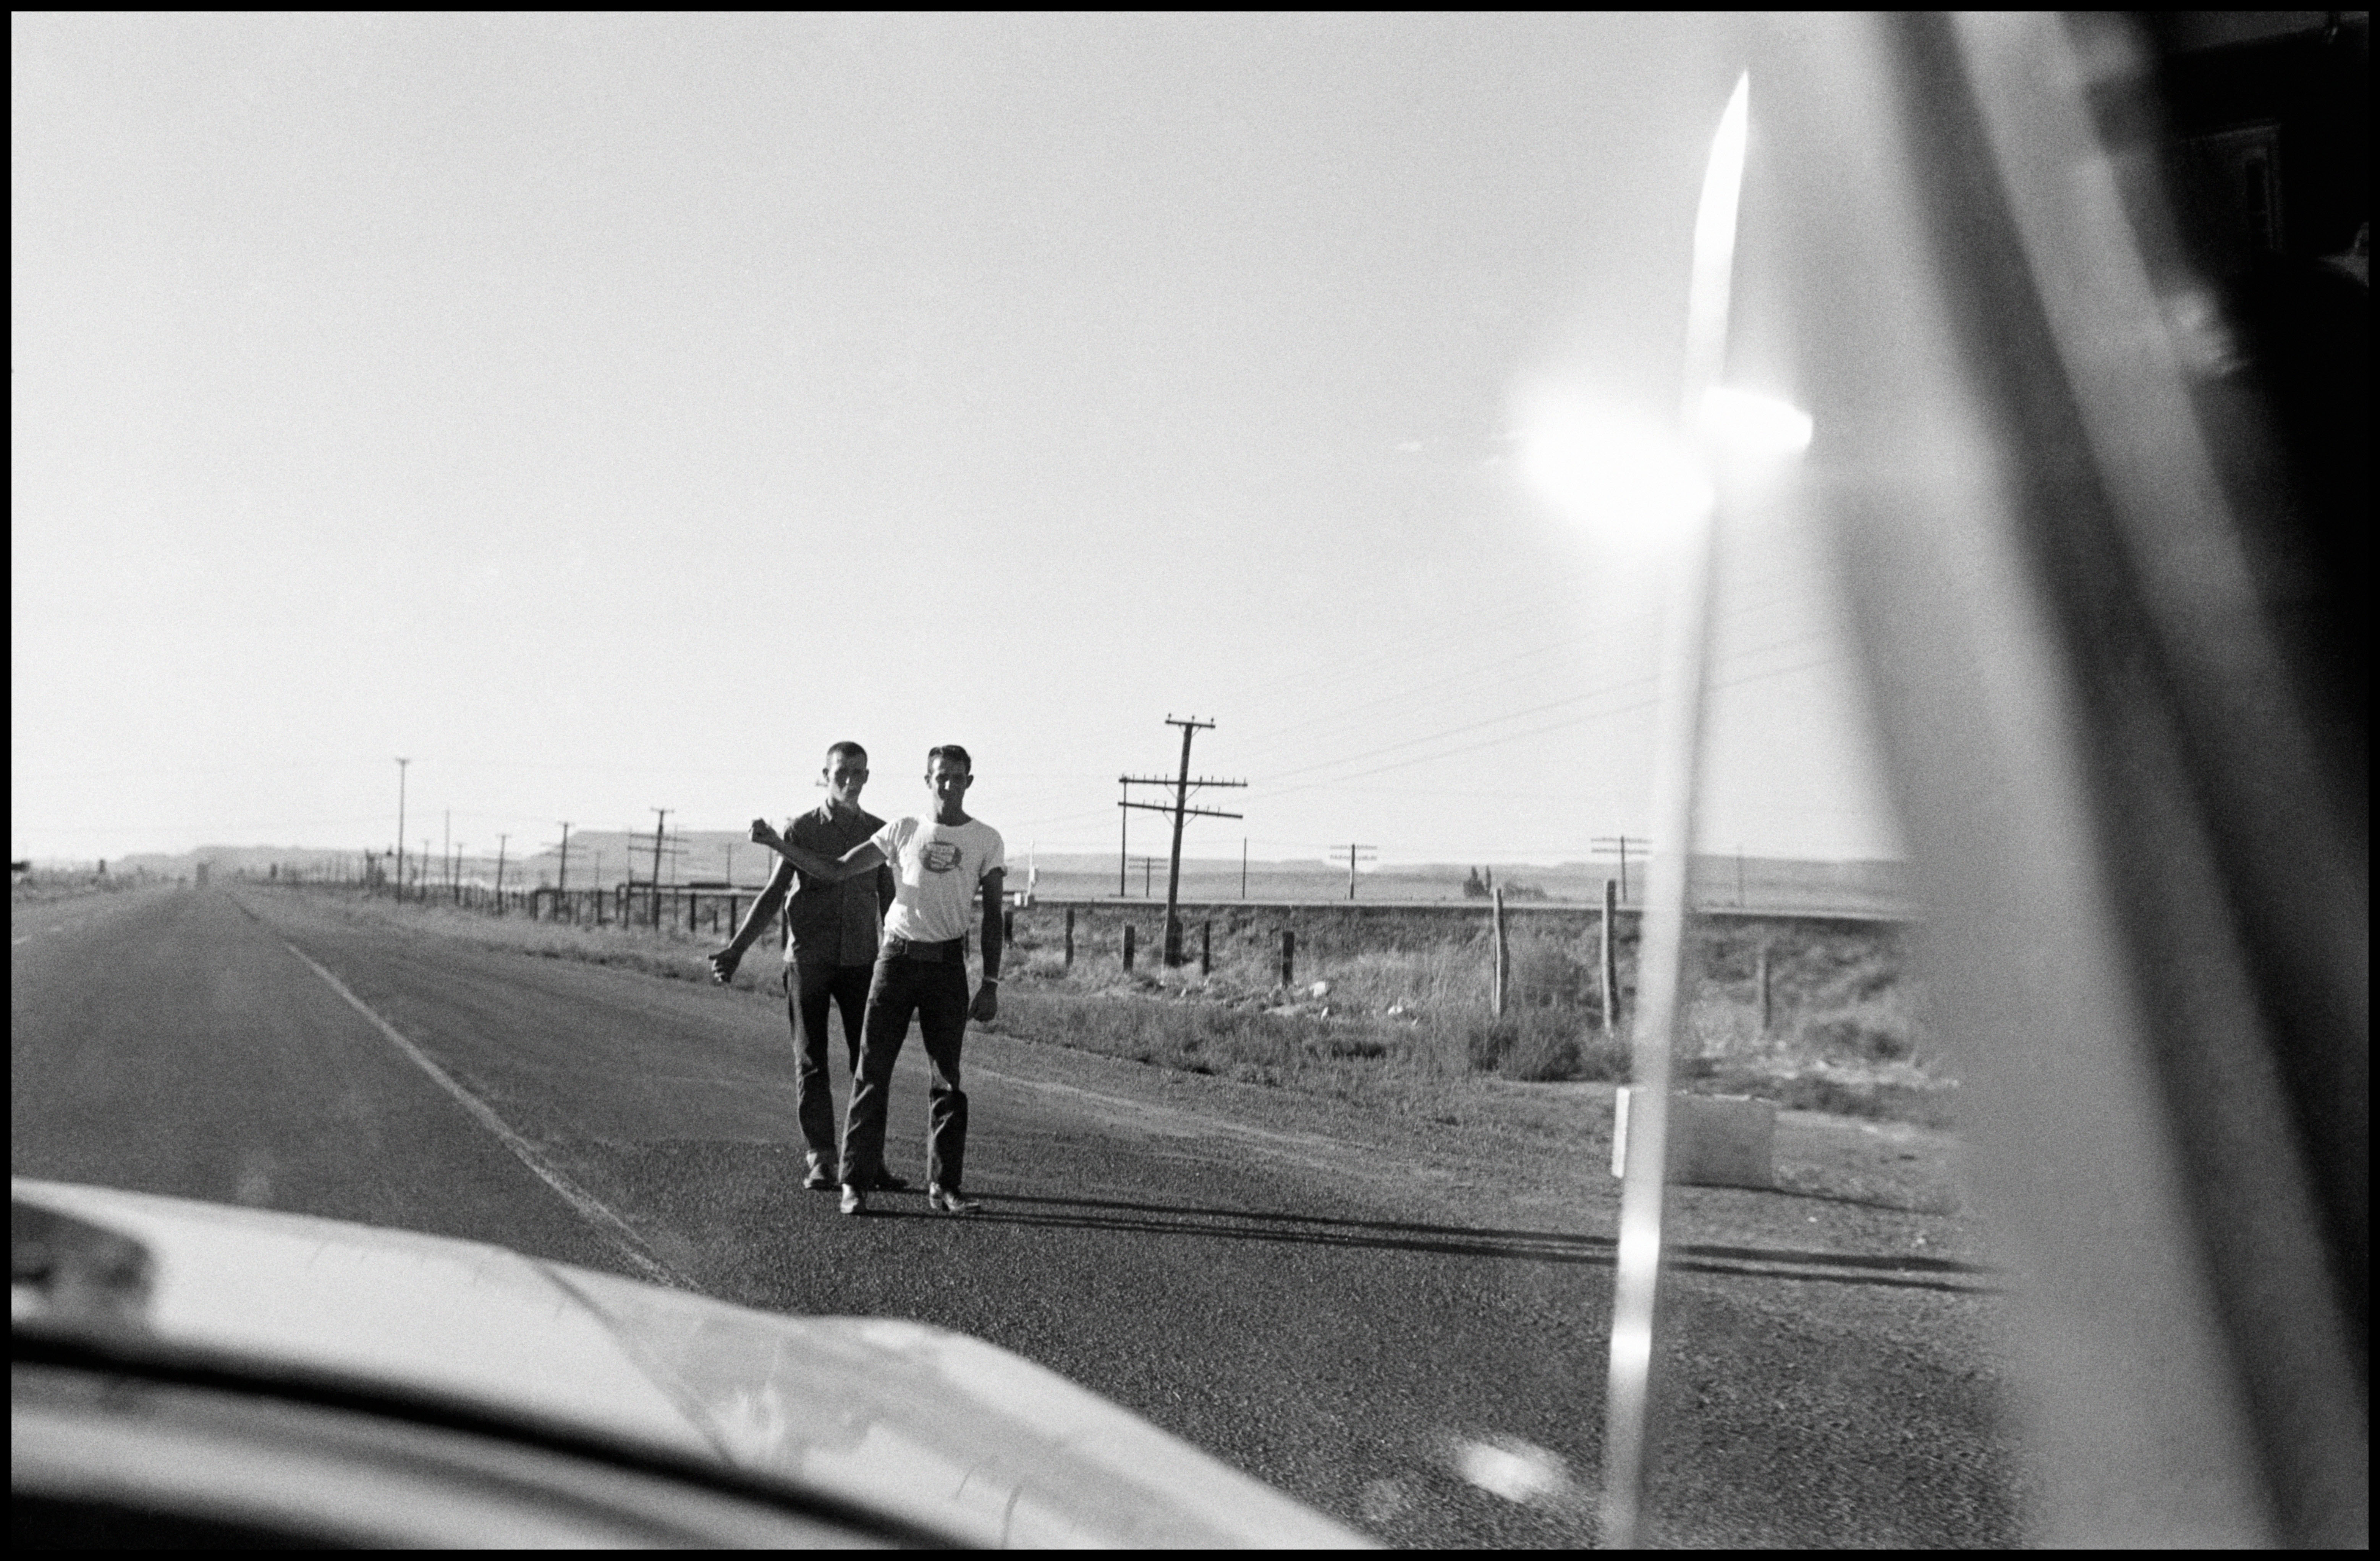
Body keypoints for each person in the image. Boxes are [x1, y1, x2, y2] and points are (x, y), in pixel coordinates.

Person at [750, 744, 1002, 1217]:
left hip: (947, 966)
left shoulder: (986, 840)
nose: (948, 785)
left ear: (970, 782)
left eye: (957, 777)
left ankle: (945, 1185)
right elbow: (837, 868)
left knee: (948, 1079)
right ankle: (854, 1181)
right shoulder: (902, 830)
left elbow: (993, 915)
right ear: (927, 780)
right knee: (872, 1071)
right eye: (940, 776)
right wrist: (778, 845)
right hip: (896, 962)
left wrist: (991, 982)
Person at [708, 742, 902, 1194]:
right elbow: (774, 893)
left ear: (868, 776)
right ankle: (822, 1159)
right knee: (812, 1061)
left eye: (858, 772)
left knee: (868, 1063)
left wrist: (898, 963)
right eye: (841, 772)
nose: (850, 780)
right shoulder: (801, 829)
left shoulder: (879, 832)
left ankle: (867, 1161)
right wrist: (736, 949)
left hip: (862, 961)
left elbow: (891, 902)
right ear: (825, 775)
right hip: (809, 961)